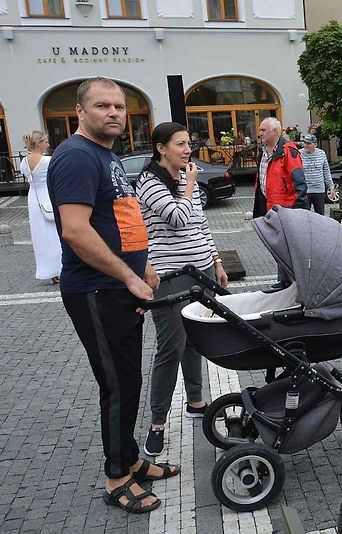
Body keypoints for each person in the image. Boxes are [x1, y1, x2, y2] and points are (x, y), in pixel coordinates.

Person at [47, 77, 179, 514]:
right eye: (103, 106)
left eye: (120, 106)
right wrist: (127, 276)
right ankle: (116, 477)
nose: (114, 113)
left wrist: (144, 266)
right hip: (97, 291)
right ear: (80, 111)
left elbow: (119, 219)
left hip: (118, 286)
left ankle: (132, 459)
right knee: (118, 385)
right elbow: (76, 230)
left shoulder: (106, 156)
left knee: (128, 379)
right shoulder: (77, 157)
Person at [135, 122, 228, 457]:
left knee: (195, 339)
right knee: (170, 347)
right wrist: (189, 185)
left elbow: (200, 223)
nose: (188, 149)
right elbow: (177, 218)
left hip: (201, 270)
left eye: (189, 143)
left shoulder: (185, 178)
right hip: (170, 276)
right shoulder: (148, 182)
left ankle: (196, 400)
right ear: (161, 148)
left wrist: (216, 261)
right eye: (180, 144)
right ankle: (157, 423)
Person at [20, 130, 61, 284]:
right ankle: (59, 268)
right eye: (45, 142)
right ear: (38, 144)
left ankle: (49, 270)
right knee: (55, 234)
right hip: (47, 196)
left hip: (33, 198)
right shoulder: (47, 161)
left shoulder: (24, 161)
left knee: (40, 236)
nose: (48, 145)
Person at [253, 117, 308, 219]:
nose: (260, 133)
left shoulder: (288, 151)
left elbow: (300, 184)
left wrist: (297, 212)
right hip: (266, 207)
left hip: (285, 210)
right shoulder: (262, 152)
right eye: (260, 130)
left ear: (275, 131)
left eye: (263, 130)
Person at [300, 134, 334, 214]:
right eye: (305, 143)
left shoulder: (321, 154)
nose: (306, 145)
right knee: (305, 215)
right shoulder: (299, 154)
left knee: (320, 214)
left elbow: (326, 171)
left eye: (309, 143)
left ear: (315, 144)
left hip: (319, 190)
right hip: (305, 190)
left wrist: (331, 186)